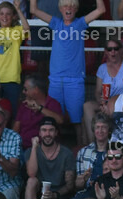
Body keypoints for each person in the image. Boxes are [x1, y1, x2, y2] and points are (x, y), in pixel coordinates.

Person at [28, 0, 107, 142]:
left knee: (77, 120)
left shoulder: (80, 23)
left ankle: (82, 150)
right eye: (65, 6)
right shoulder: (56, 23)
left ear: (76, 9)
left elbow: (101, 9)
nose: (68, 8)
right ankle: (55, 149)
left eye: (72, 6)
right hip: (55, 80)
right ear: (60, 9)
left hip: (75, 80)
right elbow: (34, 10)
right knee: (53, 118)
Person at [24, 117, 75, 199]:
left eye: (51, 130)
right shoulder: (31, 151)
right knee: (31, 181)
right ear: (39, 133)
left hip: (58, 194)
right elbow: (31, 174)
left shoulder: (66, 153)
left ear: (56, 132)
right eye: (44, 130)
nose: (47, 134)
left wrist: (55, 195)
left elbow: (70, 185)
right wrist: (34, 147)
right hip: (39, 193)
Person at [16, 76, 66, 149]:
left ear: (36, 90)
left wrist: (39, 108)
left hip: (44, 149)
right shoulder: (24, 104)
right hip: (22, 147)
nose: (23, 92)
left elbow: (60, 120)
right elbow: (16, 128)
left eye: (25, 89)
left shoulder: (52, 103)